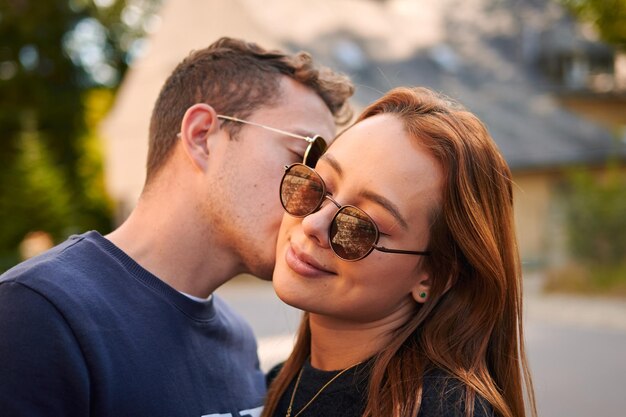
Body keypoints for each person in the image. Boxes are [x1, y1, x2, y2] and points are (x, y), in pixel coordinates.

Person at [0, 37, 353, 417]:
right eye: (299, 160)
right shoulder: (36, 312)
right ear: (202, 136)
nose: (311, 203)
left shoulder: (238, 339)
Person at [263, 87, 537, 417]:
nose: (313, 224)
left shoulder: (440, 410)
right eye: (316, 185)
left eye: (362, 225)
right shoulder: (277, 386)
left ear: (435, 277)